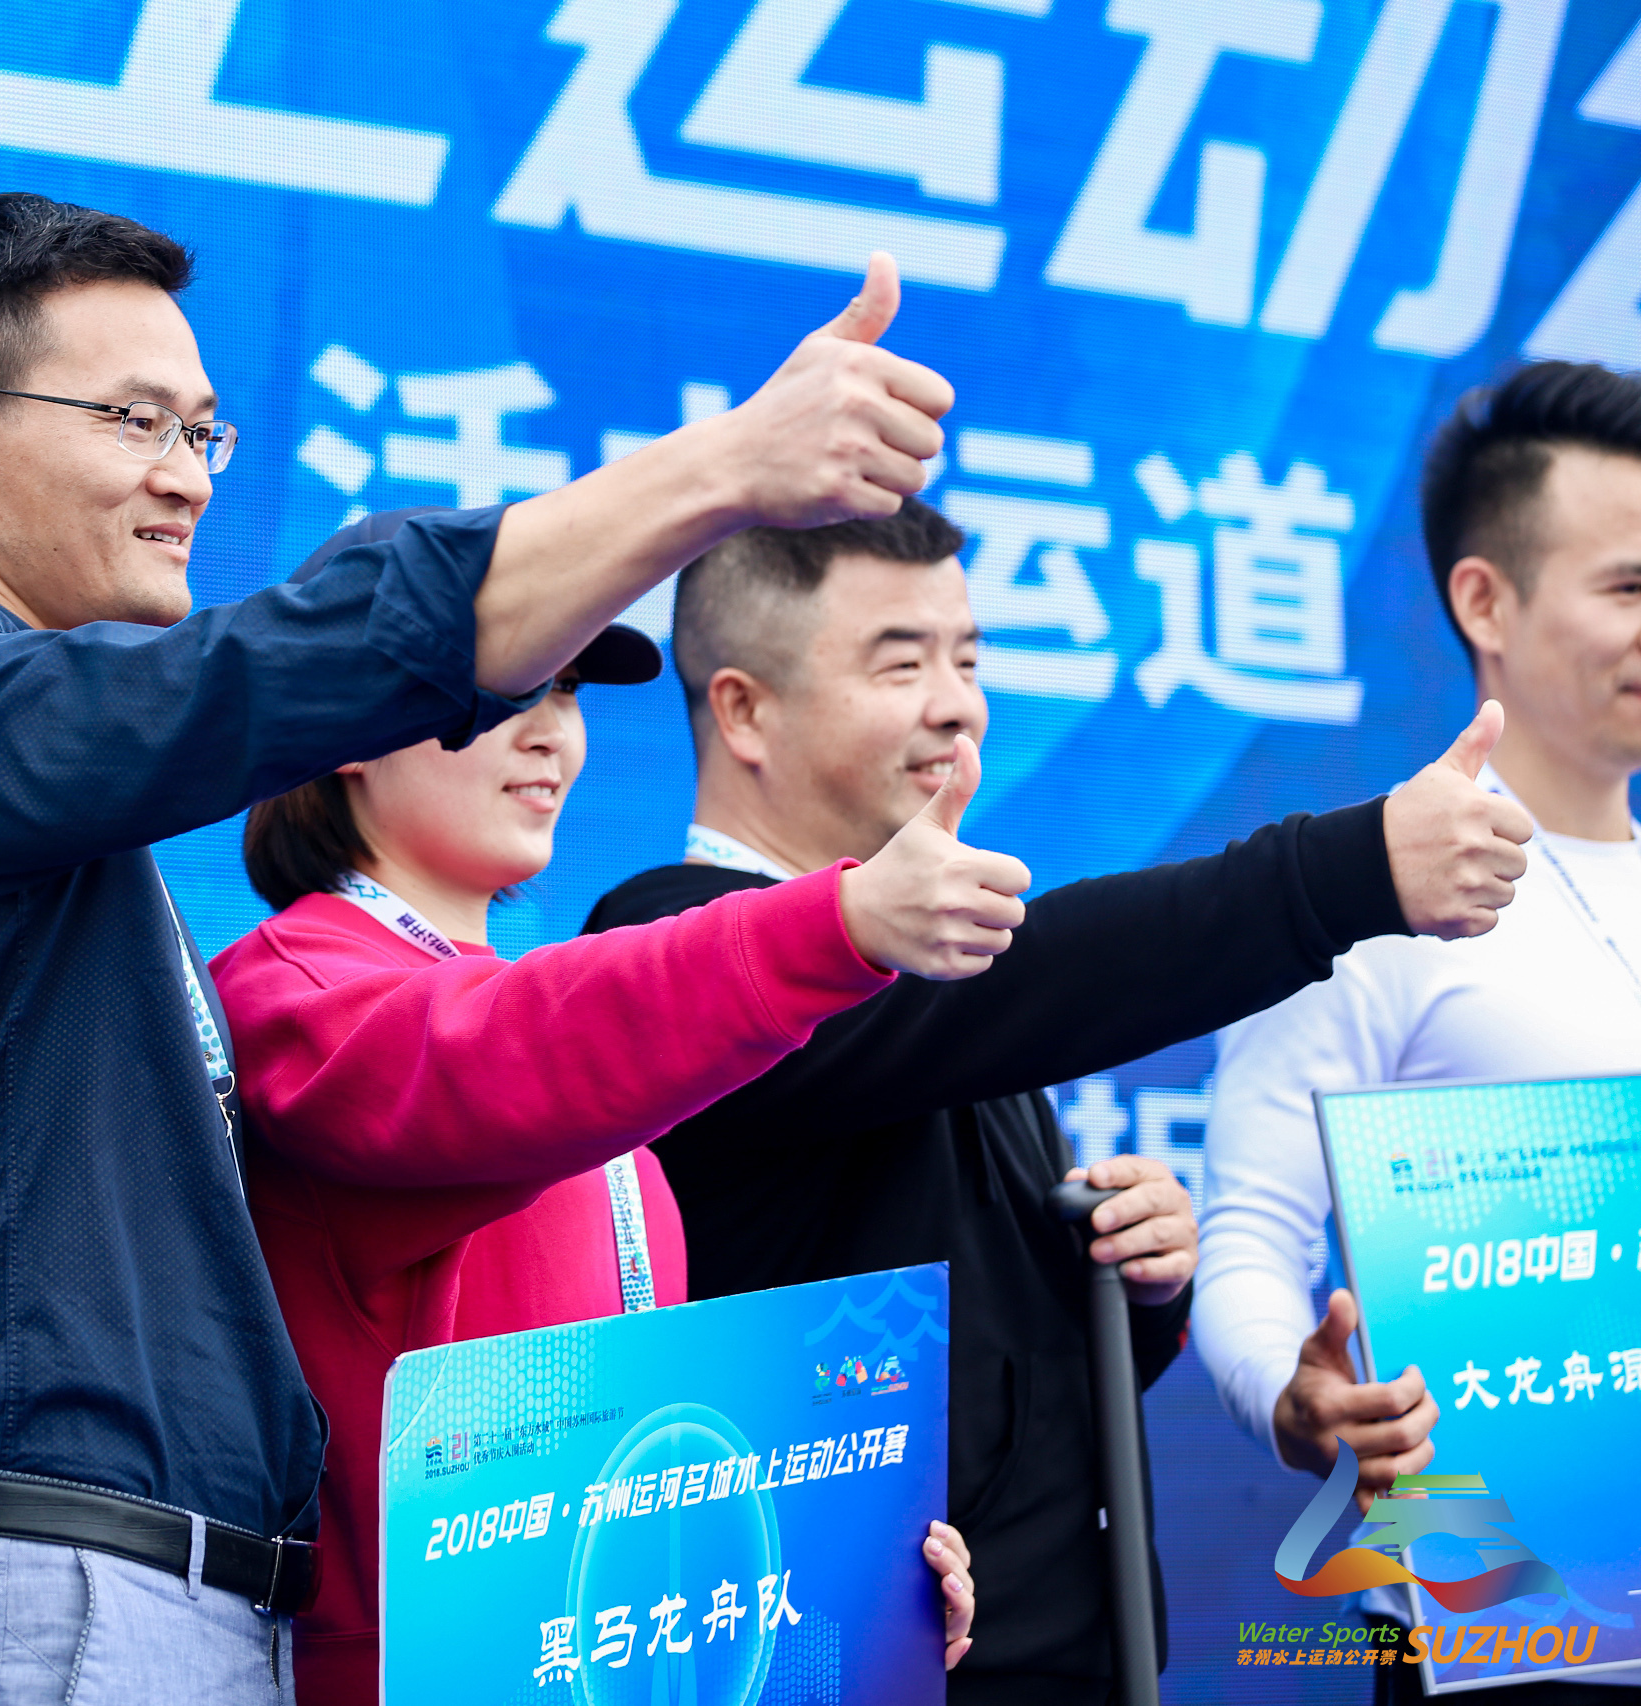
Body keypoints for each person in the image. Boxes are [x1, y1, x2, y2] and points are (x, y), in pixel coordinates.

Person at [0, 190, 956, 1702]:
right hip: (51, 1595)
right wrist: (719, 474)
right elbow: (263, 691)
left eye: (203, 432)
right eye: (134, 420)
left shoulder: (67, 845)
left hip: (167, 1604)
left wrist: (833, 1571)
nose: (184, 474)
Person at [582, 498, 1531, 1704]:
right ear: (742, 709)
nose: (955, 704)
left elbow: (1000, 1362)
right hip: (847, 1663)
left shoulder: (928, 969)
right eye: (901, 663)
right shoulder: (668, 943)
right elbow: (1046, 979)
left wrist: (1130, 1280)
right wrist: (1348, 870)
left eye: (967, 659)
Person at [211, 510, 1004, 1702]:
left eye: (570, 690)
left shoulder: (530, 1020)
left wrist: (841, 1585)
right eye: (500, 689)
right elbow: (508, 1052)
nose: (549, 731)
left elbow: (649, 1471)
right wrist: (832, 924)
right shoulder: (293, 989)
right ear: (344, 725)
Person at [1197, 361, 1641, 1700]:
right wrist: (1301, 1399)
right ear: (1483, 600)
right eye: (1629, 586)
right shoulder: (1375, 901)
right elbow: (1249, 1233)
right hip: (1509, 1632)